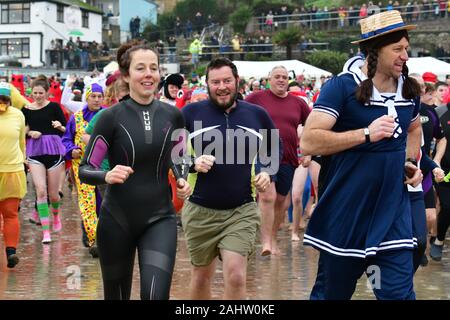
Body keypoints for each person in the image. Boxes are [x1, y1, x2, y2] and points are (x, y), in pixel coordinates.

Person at [301, 10, 423, 300]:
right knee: (332, 295)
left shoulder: (409, 90)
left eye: (406, 48)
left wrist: (408, 161)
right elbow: (308, 142)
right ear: (374, 52)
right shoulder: (341, 87)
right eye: (397, 49)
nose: (405, 55)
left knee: (397, 295)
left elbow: (414, 129)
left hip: (393, 215)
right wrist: (365, 134)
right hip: (347, 213)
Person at [78, 40, 191, 300]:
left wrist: (183, 178)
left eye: (154, 67)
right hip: (117, 220)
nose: (149, 74)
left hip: (160, 219)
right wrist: (106, 175)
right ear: (127, 75)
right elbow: (86, 169)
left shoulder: (173, 116)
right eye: (141, 68)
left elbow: (180, 156)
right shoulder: (110, 118)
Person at [181, 57, 277, 299]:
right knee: (201, 276)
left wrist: (267, 171)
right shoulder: (190, 113)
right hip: (200, 211)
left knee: (235, 275)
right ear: (207, 85)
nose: (221, 86)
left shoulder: (257, 114)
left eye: (227, 80)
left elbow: (273, 147)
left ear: (237, 82)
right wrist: (193, 165)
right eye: (215, 82)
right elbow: (172, 154)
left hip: (241, 210)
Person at [246, 66, 311, 256]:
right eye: (277, 77)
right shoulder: (256, 98)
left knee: (282, 200)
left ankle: (272, 238)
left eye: (284, 77)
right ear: (269, 79)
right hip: (264, 150)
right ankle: (265, 242)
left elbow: (311, 125)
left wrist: (308, 151)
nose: (281, 80)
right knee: (267, 195)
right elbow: (238, 112)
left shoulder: (298, 103)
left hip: (289, 156)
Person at [22, 76, 67, 243]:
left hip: (53, 151)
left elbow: (65, 129)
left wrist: (59, 126)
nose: (38, 96)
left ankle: (56, 216)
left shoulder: (54, 107)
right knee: (40, 191)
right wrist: (30, 133)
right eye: (35, 93)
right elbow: (22, 131)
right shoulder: (25, 109)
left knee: (54, 195)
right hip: (35, 152)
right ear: (31, 92)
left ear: (47, 93)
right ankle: (45, 232)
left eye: (41, 93)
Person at [62, 82, 105, 256]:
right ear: (86, 98)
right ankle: (94, 240)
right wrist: (71, 150)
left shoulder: (107, 116)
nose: (96, 99)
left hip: (103, 167)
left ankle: (99, 236)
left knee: (102, 203)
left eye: (99, 96)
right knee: (87, 203)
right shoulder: (76, 117)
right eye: (93, 96)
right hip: (82, 166)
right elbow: (66, 139)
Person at [0, 83, 26, 268]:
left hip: (12, 170)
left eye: (4, 99)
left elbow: (21, 142)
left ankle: (11, 253)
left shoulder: (18, 115)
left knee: (10, 214)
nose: (2, 102)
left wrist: (24, 161)